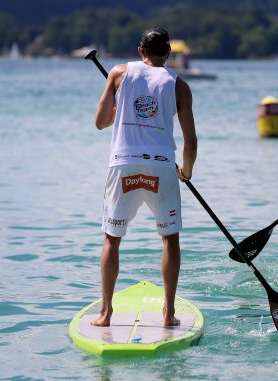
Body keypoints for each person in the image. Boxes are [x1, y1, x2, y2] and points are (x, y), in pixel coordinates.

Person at [91, 27, 197, 326]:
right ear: (168, 54)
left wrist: (116, 112)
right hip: (162, 166)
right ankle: (169, 314)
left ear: (141, 51)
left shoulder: (118, 73)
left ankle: (106, 313)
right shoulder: (180, 85)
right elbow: (191, 142)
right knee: (170, 239)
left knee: (112, 239)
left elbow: (100, 123)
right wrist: (186, 172)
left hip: (123, 163)